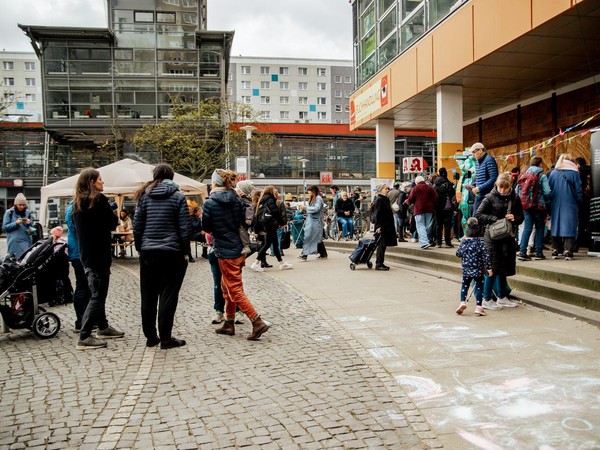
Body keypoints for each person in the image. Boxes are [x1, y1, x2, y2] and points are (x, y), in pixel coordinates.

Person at [202, 169, 271, 341]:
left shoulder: (210, 202)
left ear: (215, 182)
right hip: (238, 248)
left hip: (225, 250)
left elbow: (207, 227)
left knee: (234, 288)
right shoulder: (237, 199)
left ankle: (257, 321)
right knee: (227, 287)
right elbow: (243, 222)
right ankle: (229, 322)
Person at [133, 164, 190, 349]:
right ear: (172, 177)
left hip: (148, 252)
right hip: (171, 251)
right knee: (169, 294)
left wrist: (140, 247)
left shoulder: (144, 196)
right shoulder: (178, 196)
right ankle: (165, 338)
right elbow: (184, 227)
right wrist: (185, 251)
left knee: (148, 295)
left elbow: (137, 225)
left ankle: (151, 337)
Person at [72, 168, 124, 350]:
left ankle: (102, 326)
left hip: (86, 254)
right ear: (92, 182)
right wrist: (112, 211)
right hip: (98, 254)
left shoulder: (77, 203)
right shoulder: (98, 200)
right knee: (98, 295)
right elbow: (112, 222)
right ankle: (85, 336)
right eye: (100, 180)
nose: (103, 182)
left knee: (97, 291)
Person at [475, 172, 524, 310]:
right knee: (493, 268)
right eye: (500, 187)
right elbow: (478, 214)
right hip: (492, 237)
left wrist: (515, 217)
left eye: (505, 188)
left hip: (507, 237)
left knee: (503, 268)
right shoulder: (489, 197)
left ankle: (502, 297)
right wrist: (494, 219)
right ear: (496, 185)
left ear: (510, 186)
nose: (502, 190)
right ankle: (486, 298)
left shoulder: (515, 198)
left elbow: (521, 217)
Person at [548, 153, 583, 261]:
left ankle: (555, 249)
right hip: (570, 203)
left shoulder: (553, 173)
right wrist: (580, 200)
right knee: (569, 226)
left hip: (555, 203)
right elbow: (578, 190)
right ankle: (568, 250)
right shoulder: (574, 173)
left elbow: (549, 189)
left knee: (556, 225)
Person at [515, 156, 551, 261]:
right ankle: (539, 252)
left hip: (526, 206)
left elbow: (517, 191)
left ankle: (522, 251)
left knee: (527, 227)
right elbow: (547, 192)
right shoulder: (542, 175)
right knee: (539, 228)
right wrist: (547, 201)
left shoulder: (524, 175)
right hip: (539, 206)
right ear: (540, 164)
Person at [455, 217, 492, 316]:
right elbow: (486, 256)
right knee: (479, 287)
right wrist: (489, 268)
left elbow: (458, 253)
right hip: (478, 270)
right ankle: (479, 307)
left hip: (466, 269)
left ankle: (462, 302)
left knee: (464, 286)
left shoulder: (464, 243)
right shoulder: (480, 243)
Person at [252, 185, 293, 271]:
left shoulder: (263, 200)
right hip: (270, 224)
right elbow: (276, 213)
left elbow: (258, 215)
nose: (276, 191)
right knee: (267, 244)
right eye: (274, 189)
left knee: (275, 244)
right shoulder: (270, 200)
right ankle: (256, 263)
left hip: (267, 224)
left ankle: (282, 263)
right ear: (270, 191)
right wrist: (282, 223)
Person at [65, 201, 92, 332]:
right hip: (78, 253)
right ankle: (80, 321)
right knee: (82, 286)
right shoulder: (74, 209)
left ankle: (85, 319)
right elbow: (79, 230)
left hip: (80, 251)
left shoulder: (76, 207)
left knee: (86, 287)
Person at [406, 175, 438, 249]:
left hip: (419, 209)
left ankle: (424, 242)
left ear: (416, 182)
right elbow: (436, 197)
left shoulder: (415, 188)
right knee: (427, 226)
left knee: (420, 225)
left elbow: (410, 199)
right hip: (429, 209)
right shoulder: (430, 188)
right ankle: (427, 240)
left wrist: (407, 202)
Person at [370, 184, 397, 270]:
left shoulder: (384, 199)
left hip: (386, 226)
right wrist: (378, 226)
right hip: (381, 226)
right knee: (381, 245)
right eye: (386, 189)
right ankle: (379, 264)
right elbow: (377, 214)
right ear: (381, 190)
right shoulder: (379, 199)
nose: (388, 190)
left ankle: (381, 263)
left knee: (383, 245)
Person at [466, 142, 498, 215]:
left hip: (488, 195)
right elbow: (479, 178)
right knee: (476, 217)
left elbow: (493, 178)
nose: (473, 154)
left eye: (474, 152)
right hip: (479, 195)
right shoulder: (477, 162)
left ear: (480, 150)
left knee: (480, 217)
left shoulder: (489, 159)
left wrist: (479, 188)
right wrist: (473, 185)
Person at [298, 185, 327, 260]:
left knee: (309, 237)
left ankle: (304, 254)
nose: (308, 192)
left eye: (309, 191)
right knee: (317, 238)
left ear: (313, 191)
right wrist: (303, 208)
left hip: (316, 221)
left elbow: (316, 208)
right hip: (312, 220)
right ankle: (323, 253)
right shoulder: (312, 198)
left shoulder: (318, 198)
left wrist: (306, 208)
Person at [2, 193, 34, 259]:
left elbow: (31, 232)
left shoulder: (28, 213)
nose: (22, 207)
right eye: (20, 205)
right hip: (14, 244)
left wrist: (29, 224)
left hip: (26, 243)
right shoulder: (9, 213)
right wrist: (16, 223)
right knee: (14, 264)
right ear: (15, 205)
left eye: (23, 205)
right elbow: (4, 228)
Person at [434, 168, 456, 248]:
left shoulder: (435, 183)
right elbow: (453, 194)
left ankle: (438, 242)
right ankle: (448, 242)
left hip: (438, 207)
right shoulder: (448, 183)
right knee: (447, 225)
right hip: (448, 207)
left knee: (438, 225)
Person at [235, 179, 255, 256]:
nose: (235, 189)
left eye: (237, 188)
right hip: (242, 222)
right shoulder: (242, 199)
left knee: (242, 231)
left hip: (242, 222)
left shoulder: (243, 199)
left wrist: (248, 218)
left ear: (241, 191)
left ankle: (246, 246)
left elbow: (250, 208)